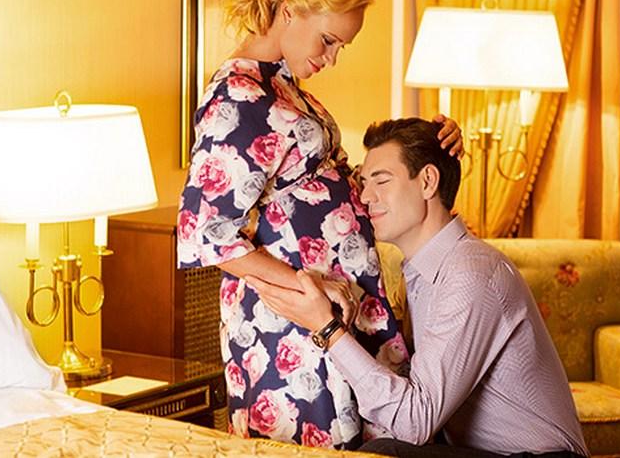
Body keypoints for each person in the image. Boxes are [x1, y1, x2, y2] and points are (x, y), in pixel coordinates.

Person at [176, 0, 463, 450]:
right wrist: (310, 291)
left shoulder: (284, 87)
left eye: (340, 47)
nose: (330, 59)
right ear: (290, 10)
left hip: (332, 315)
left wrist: (432, 147)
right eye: (328, 40)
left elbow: (334, 189)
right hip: (295, 328)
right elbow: (205, 233)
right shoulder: (237, 97)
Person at [246, 118, 589, 458]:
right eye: (363, 183)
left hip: (544, 457)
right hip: (480, 451)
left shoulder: (471, 273)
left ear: (427, 181)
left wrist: (328, 328)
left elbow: (415, 421)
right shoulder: (422, 270)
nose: (365, 197)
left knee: (384, 453)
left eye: (381, 181)